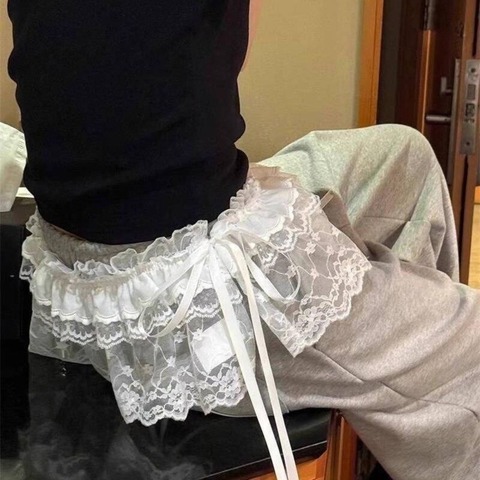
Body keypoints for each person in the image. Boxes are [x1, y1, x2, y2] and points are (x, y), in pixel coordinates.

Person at [6, 1, 479, 479]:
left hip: (87, 254)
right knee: (471, 346)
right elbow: (228, 56)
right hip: (191, 292)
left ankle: (387, 373)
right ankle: (391, 363)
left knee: (402, 154)